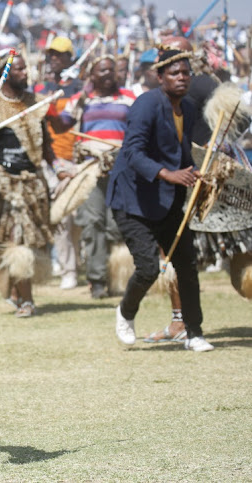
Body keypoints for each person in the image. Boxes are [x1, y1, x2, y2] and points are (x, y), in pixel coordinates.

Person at [106, 48, 213, 352]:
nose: (182, 78)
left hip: (168, 199)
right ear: (160, 76)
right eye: (175, 73)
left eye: (186, 73)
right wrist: (168, 174)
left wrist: (196, 171)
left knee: (187, 265)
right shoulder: (146, 105)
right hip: (133, 200)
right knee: (148, 268)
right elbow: (133, 153)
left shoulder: (189, 108)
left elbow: (181, 152)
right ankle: (126, 312)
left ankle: (194, 333)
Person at [0, 53, 59, 317]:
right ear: (5, 73)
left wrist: (57, 169)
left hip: (34, 182)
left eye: (27, 68)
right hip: (6, 185)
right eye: (20, 69)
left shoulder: (36, 103)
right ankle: (27, 300)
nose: (26, 73)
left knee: (30, 238)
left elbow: (45, 143)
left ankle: (16, 293)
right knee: (15, 237)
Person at [50, 55, 136, 299]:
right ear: (92, 75)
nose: (108, 74)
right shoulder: (80, 100)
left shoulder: (128, 98)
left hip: (122, 169)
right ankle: (97, 280)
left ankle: (119, 276)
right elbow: (60, 126)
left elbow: (141, 127)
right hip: (90, 170)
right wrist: (49, 107)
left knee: (117, 223)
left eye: (111, 70)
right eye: (102, 71)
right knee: (93, 222)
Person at [42, 37, 83, 291]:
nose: (54, 58)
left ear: (70, 58)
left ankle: (76, 262)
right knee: (61, 217)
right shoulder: (42, 88)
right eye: (51, 54)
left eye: (60, 54)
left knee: (78, 219)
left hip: (77, 159)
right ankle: (69, 269)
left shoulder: (80, 89)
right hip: (51, 161)